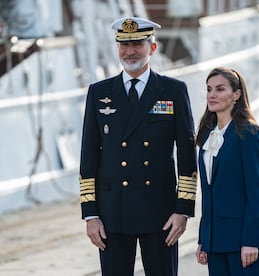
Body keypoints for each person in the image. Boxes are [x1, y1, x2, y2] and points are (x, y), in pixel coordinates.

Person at [79, 16, 197, 276]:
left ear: (152, 48)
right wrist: (90, 214)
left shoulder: (172, 90)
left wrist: (183, 210)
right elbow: (88, 157)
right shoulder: (99, 93)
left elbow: (187, 154)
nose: (130, 51)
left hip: (160, 211)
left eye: (137, 44)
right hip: (112, 213)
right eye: (124, 45)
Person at [195, 67, 259, 276]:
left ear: (236, 95)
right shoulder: (207, 135)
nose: (212, 95)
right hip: (215, 243)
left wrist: (251, 241)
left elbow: (256, 192)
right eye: (209, 89)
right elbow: (208, 194)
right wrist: (204, 239)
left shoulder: (249, 133)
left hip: (242, 243)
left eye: (220, 89)